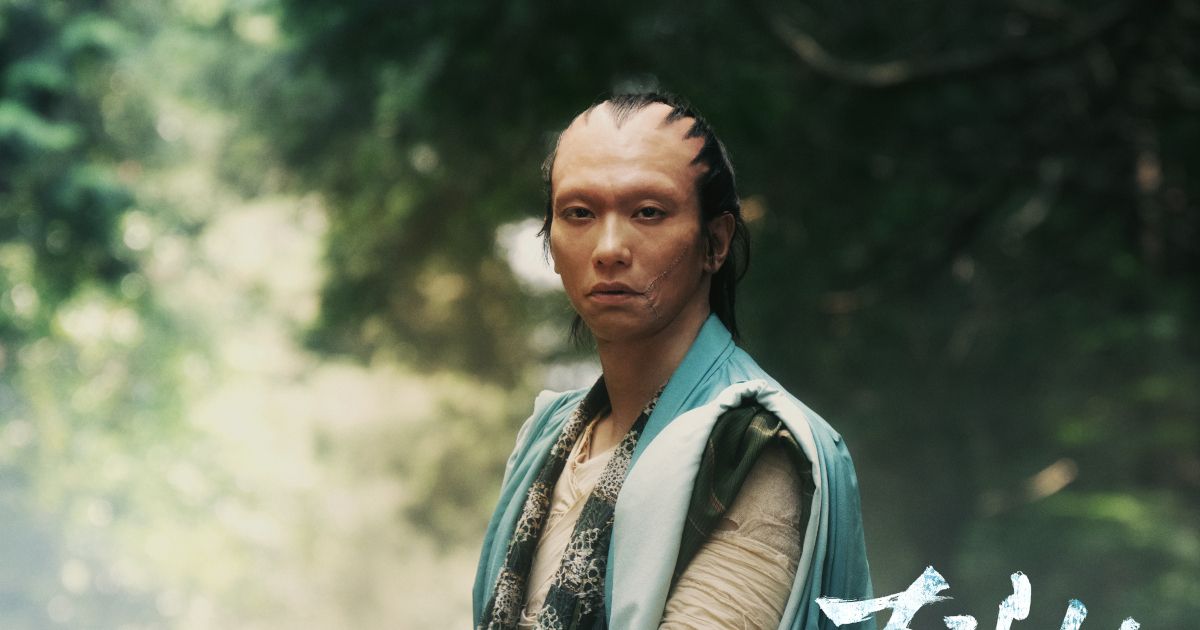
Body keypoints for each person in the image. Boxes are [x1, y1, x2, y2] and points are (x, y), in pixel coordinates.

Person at [474, 92, 874, 630]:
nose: (608, 248)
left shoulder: (750, 444)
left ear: (715, 242)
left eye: (648, 212)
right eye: (579, 213)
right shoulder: (546, 437)